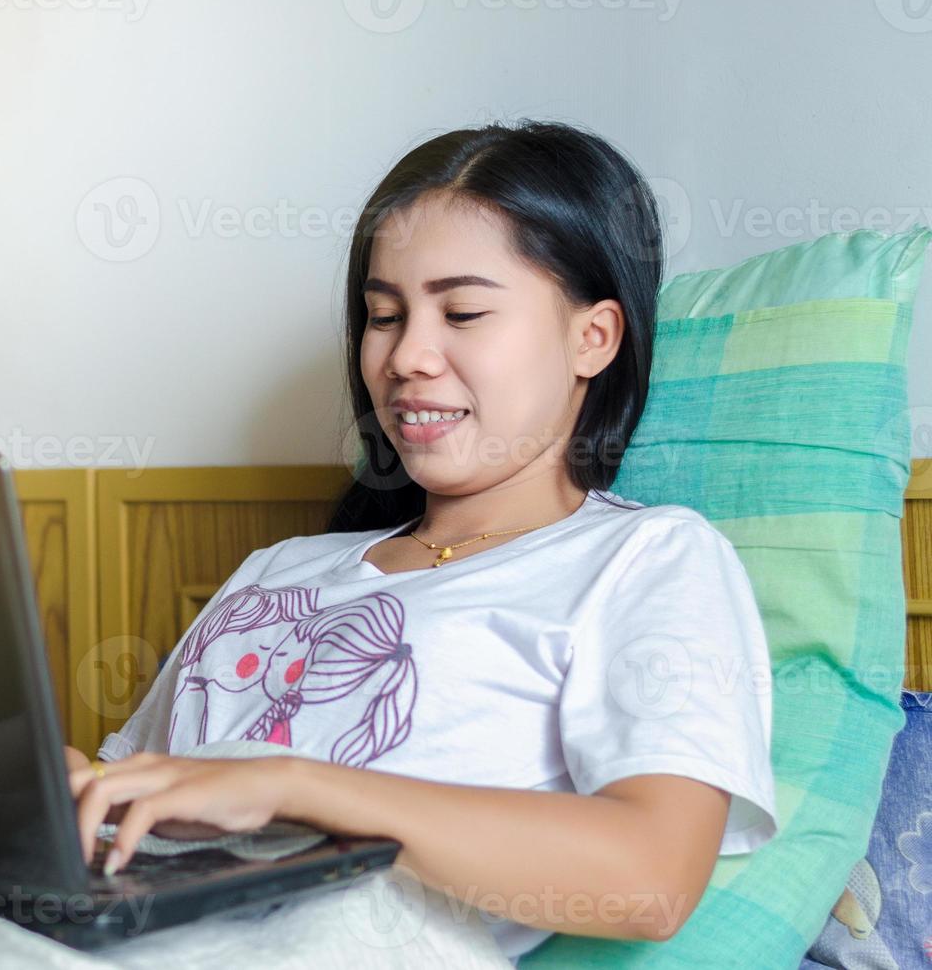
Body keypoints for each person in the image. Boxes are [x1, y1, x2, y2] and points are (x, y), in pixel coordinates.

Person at [66, 119, 778, 963]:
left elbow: (650, 878)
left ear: (594, 337)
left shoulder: (648, 559)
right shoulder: (281, 570)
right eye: (383, 315)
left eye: (464, 311)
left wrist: (290, 786)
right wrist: (61, 788)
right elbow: (131, 800)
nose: (407, 356)